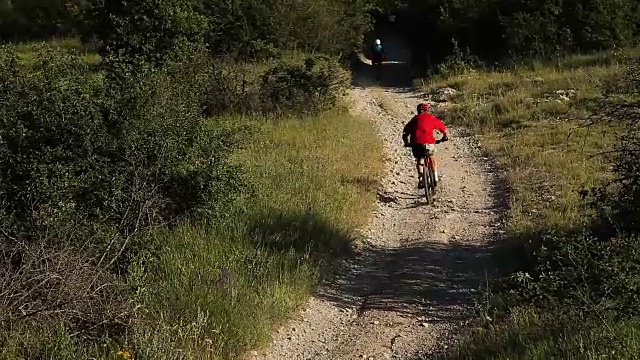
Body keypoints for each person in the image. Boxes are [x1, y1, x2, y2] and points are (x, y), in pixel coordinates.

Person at [402, 103, 449, 189]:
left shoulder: (414, 119)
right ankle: (435, 178)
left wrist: (407, 143)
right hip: (428, 144)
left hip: (416, 145)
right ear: (427, 110)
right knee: (431, 156)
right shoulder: (431, 118)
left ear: (418, 110)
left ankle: (421, 178)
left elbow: (405, 133)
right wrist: (445, 137)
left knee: (420, 160)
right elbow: (443, 129)